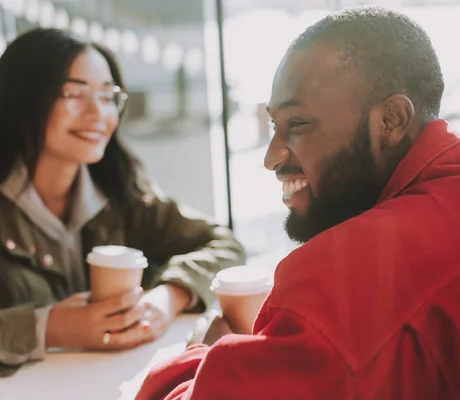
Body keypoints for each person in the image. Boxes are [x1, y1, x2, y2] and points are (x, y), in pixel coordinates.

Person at [0, 29, 245, 379]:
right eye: (74, 94)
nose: (99, 114)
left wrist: (169, 295)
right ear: (22, 101)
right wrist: (48, 327)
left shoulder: (123, 193)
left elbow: (224, 245)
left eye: (108, 96)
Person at [136, 6, 460, 399]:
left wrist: (203, 354)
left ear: (390, 121)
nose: (271, 157)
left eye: (298, 125)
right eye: (275, 126)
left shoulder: (346, 273)